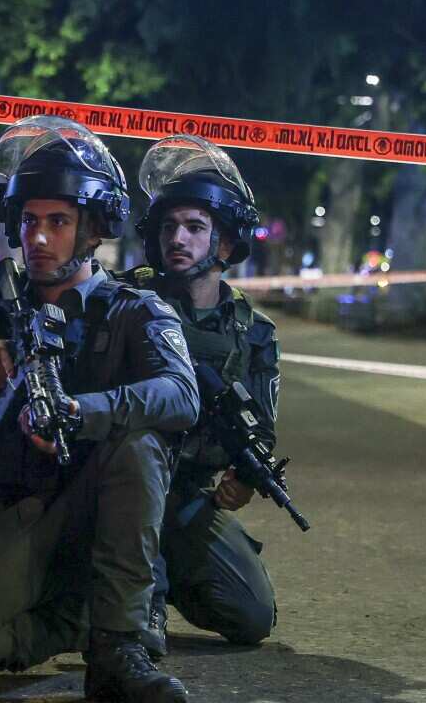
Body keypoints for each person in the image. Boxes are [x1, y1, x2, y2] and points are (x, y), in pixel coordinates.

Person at [0, 116, 197, 702]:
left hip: (102, 511)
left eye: (59, 221)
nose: (40, 238)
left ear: (91, 229)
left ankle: (120, 650)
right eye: (30, 221)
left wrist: (82, 411)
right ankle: (69, 621)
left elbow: (181, 394)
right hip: (19, 513)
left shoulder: (135, 310)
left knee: (139, 442)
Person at [120, 135, 280, 658]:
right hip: (110, 492)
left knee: (252, 615)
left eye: (194, 227)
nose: (177, 239)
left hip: (186, 498)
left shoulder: (253, 333)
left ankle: (152, 581)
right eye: (168, 226)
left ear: (225, 245)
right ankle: (125, 601)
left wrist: (242, 479)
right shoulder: (127, 300)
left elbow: (259, 420)